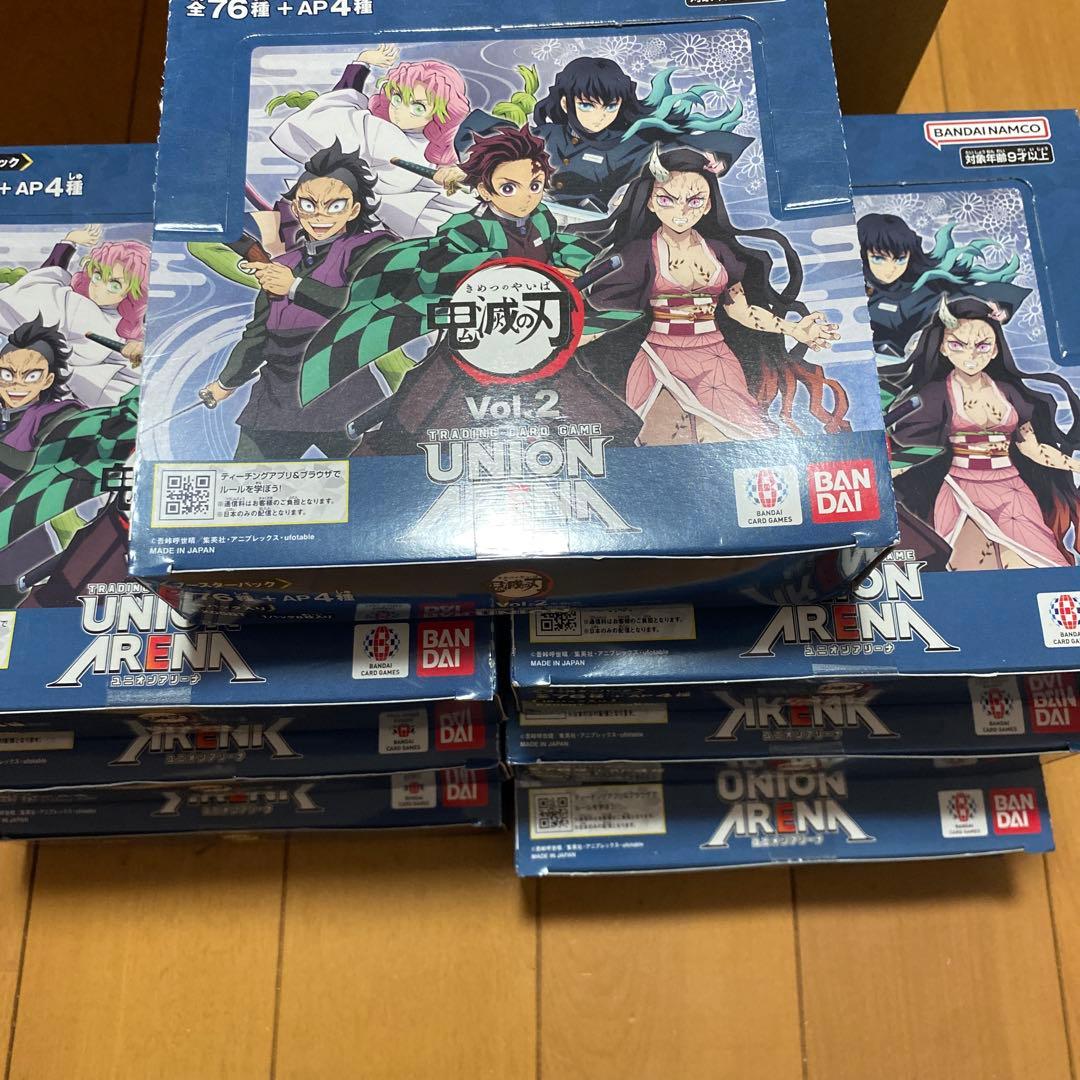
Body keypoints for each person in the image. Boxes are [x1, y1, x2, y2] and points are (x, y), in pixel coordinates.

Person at [299, 125, 644, 454]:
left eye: (535, 185)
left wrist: (577, 266)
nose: (526, 197)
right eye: (509, 188)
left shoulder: (541, 219)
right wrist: (506, 266)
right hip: (475, 337)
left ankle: (621, 451)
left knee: (595, 411)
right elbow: (437, 270)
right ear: (484, 190)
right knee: (418, 411)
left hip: (534, 335)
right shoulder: (468, 228)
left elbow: (557, 248)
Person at [580, 146, 846, 444]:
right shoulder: (640, 253)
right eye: (667, 199)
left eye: (694, 201)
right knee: (665, 440)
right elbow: (608, 313)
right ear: (651, 203)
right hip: (659, 357)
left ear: (708, 205)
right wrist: (574, 336)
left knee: (732, 437)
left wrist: (794, 329)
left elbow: (741, 311)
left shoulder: (719, 252)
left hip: (716, 358)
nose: (682, 212)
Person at [199, 140, 398, 461]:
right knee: (243, 482)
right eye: (308, 204)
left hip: (346, 396)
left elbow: (365, 306)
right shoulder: (284, 264)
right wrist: (225, 383)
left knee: (372, 483)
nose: (320, 215)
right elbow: (258, 336)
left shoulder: (373, 249)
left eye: (334, 206)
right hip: (277, 401)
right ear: (296, 207)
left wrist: (295, 287)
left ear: (353, 209)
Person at [891, 296, 1080, 570]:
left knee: (1040, 563)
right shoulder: (935, 395)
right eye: (958, 345)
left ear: (994, 350)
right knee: (973, 569)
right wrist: (884, 476)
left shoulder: (1009, 393)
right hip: (961, 489)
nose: (971, 355)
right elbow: (916, 452)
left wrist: (1075, 465)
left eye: (982, 346)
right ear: (942, 347)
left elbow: (1032, 448)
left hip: (1012, 490)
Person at [451, 56, 752, 213]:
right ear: (567, 103)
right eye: (587, 105)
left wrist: (714, 156)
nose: (600, 116)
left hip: (592, 232)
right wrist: (473, 168)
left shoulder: (631, 143)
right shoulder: (546, 135)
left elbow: (688, 144)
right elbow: (489, 135)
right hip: (528, 218)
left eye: (610, 106)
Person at [268, 45, 475, 239]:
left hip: (385, 219)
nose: (400, 111)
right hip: (338, 204)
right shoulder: (374, 128)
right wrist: (361, 64)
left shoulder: (430, 149)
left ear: (440, 116)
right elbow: (337, 109)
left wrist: (457, 175)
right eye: (397, 98)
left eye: (418, 107)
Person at [0, 227, 149, 407]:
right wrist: (69, 242)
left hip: (73, 388)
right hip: (30, 368)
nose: (99, 288)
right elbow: (46, 279)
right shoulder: (67, 298)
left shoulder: (121, 327)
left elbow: (133, 368)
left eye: (114, 285)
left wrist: (136, 351)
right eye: (97, 276)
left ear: (132, 294)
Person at [858, 212, 1030, 361]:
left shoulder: (926, 287)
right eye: (878, 258)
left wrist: (999, 308)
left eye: (900, 259)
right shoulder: (855, 287)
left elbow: (983, 294)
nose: (891, 269)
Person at [0, 315, 83, 493]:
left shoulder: (57, 415)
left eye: (31, 376)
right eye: (7, 374)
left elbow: (41, 464)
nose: (17, 384)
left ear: (47, 380)